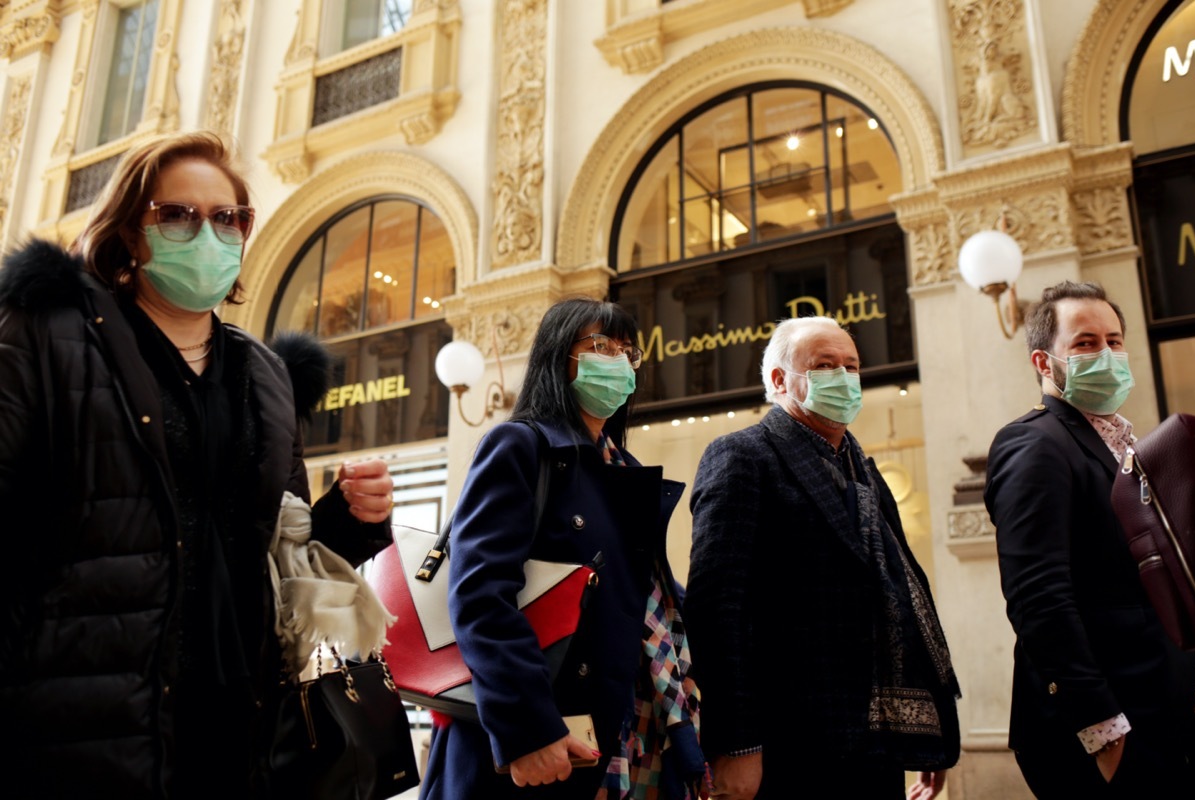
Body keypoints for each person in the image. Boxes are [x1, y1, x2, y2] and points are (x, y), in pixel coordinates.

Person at [0, 131, 396, 798]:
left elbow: (279, 562)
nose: (206, 233)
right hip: (81, 732)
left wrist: (349, 520)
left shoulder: (265, 375)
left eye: (227, 218)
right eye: (177, 214)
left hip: (238, 736)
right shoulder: (49, 336)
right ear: (131, 230)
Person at [419, 298, 705, 799]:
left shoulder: (622, 468)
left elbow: (647, 594)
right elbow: (480, 594)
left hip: (628, 731)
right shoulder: (521, 446)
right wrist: (527, 726)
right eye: (599, 346)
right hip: (547, 735)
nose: (616, 361)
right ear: (559, 357)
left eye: (626, 351)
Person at [686, 316, 960, 800]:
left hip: (875, 740)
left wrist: (922, 732)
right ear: (779, 380)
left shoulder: (864, 473)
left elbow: (897, 596)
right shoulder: (742, 457)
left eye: (851, 366)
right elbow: (716, 612)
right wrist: (739, 742)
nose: (844, 378)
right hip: (787, 745)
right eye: (824, 365)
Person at [984, 280, 1195, 798]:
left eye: (1114, 340)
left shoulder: (1130, 444)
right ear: (1044, 363)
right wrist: (1103, 733)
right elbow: (1039, 598)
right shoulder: (1034, 444)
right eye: (1084, 343)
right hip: (1101, 728)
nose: (1106, 353)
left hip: (1161, 709)